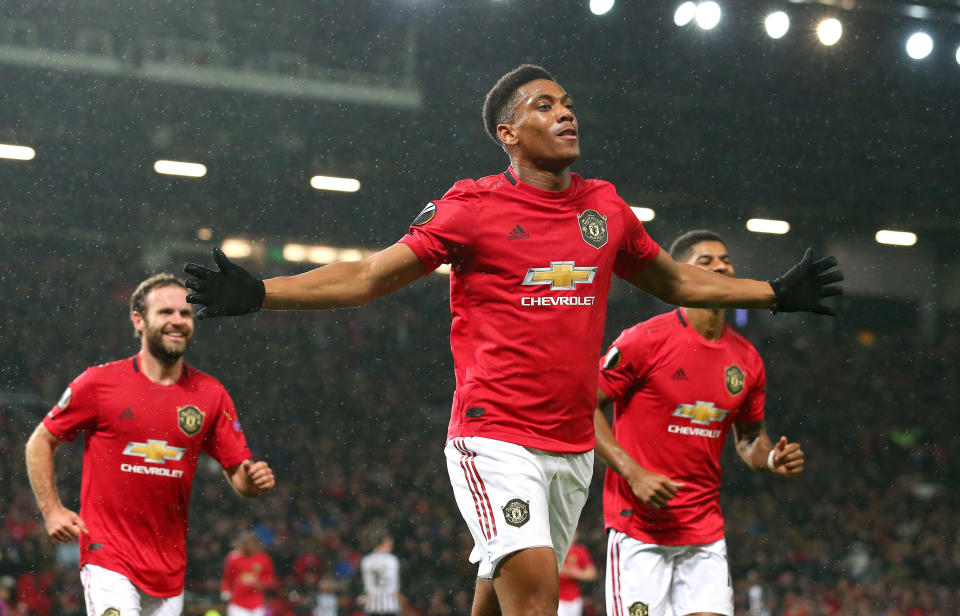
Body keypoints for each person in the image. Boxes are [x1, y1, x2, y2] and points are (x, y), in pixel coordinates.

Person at [181, 65, 841, 616]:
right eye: (544, 106)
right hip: (494, 434)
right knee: (537, 599)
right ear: (509, 134)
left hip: (574, 447)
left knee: (502, 593)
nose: (565, 114)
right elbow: (368, 276)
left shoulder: (604, 210)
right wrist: (263, 292)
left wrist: (777, 293)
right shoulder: (471, 207)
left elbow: (677, 283)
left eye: (568, 104)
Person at [24, 273, 276, 616]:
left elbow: (240, 475)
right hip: (107, 553)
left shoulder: (213, 395)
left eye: (185, 314)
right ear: (138, 321)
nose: (177, 321)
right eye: (166, 312)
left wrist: (252, 480)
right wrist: (52, 510)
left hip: (168, 565)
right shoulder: (98, 383)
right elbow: (40, 441)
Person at [594, 230, 805, 616]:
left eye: (725, 260)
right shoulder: (644, 341)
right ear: (680, 275)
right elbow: (582, 408)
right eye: (705, 262)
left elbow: (749, 439)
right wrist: (634, 473)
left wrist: (771, 458)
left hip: (703, 531)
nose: (721, 266)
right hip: (638, 529)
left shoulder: (747, 359)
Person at [221, 532, 276, 616]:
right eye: (247, 543)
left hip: (257, 602)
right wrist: (226, 591)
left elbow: (270, 577)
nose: (250, 545)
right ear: (242, 544)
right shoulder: (234, 558)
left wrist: (262, 584)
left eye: (252, 542)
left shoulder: (263, 558)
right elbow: (227, 578)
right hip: (238, 602)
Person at [359, 533, 401, 616]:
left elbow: (363, 582)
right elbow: (395, 585)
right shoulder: (392, 560)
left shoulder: (366, 560)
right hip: (390, 606)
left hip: (372, 606)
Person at [557, 531, 597, 616]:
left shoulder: (580, 551)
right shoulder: (556, 550)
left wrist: (577, 573)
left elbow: (592, 574)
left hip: (575, 599)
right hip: (558, 598)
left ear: (577, 535)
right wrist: (566, 571)